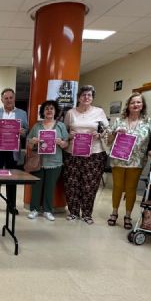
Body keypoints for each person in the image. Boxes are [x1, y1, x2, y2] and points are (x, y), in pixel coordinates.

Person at [106, 93, 151, 229]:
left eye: (138, 102)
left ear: (142, 105)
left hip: (137, 161)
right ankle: (114, 212)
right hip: (118, 159)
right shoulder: (118, 121)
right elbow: (108, 140)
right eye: (133, 102)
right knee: (117, 187)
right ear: (128, 105)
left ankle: (128, 215)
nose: (135, 105)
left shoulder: (149, 123)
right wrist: (115, 133)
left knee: (131, 189)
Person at [63, 85, 109, 225]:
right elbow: (64, 131)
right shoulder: (71, 113)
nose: (86, 97)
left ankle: (87, 214)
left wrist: (99, 134)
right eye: (83, 95)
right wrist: (69, 135)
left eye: (89, 95)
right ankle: (73, 212)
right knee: (72, 183)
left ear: (92, 97)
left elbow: (107, 130)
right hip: (72, 153)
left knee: (90, 185)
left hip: (94, 153)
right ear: (78, 97)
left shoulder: (99, 112)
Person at [0, 88, 28, 214]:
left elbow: (26, 130)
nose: (9, 100)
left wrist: (23, 132)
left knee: (12, 180)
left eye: (11, 98)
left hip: (13, 151)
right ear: (2, 99)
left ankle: (11, 205)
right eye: (6, 98)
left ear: (14, 98)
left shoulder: (22, 113)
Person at [26, 101, 69, 220]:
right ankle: (34, 209)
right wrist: (33, 141)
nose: (49, 111)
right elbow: (29, 145)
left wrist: (61, 142)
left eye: (51, 108)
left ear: (55, 111)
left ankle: (47, 210)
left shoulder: (60, 126)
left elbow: (66, 144)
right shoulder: (37, 126)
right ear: (43, 112)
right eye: (46, 109)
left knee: (50, 188)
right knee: (36, 187)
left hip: (55, 162)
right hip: (38, 162)